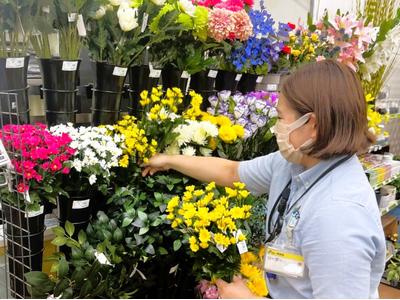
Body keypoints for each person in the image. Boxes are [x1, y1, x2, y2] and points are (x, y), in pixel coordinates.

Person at [142, 60, 386, 298]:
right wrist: (169, 160)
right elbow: (232, 172)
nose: (275, 128)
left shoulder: (339, 216)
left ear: (312, 124)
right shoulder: (297, 161)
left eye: (281, 118)